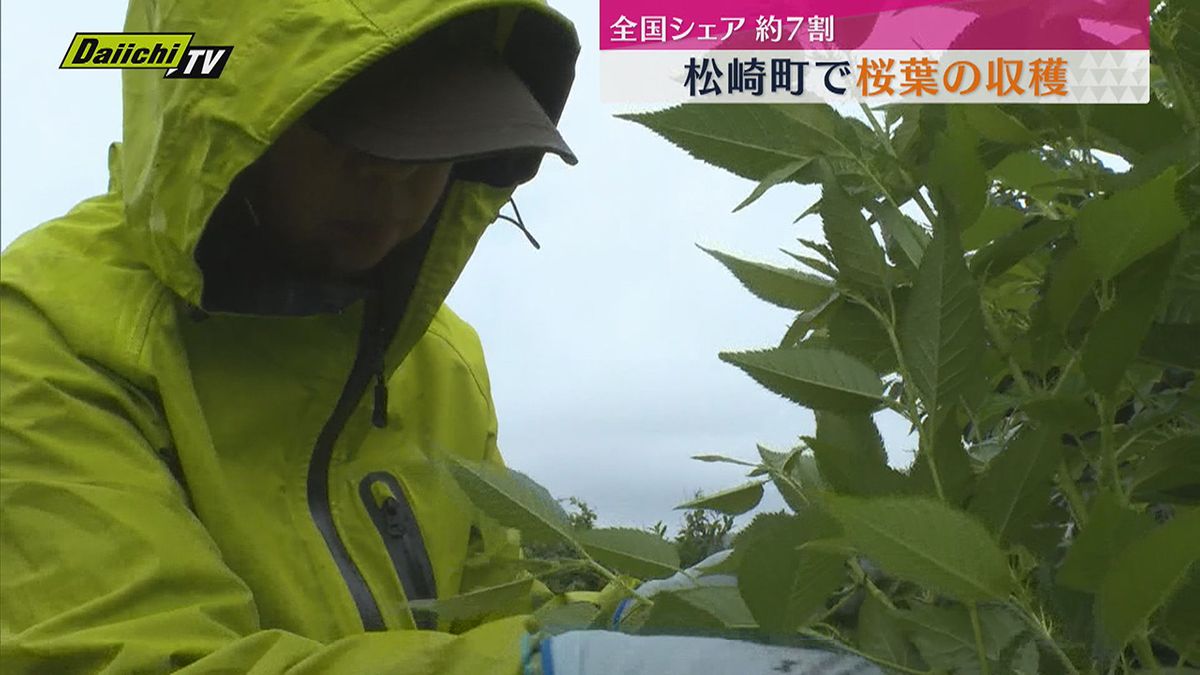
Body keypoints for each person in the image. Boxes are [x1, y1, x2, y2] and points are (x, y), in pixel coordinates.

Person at [1, 1, 880, 673]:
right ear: (226, 121)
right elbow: (132, 654)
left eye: (441, 145)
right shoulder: (46, 332)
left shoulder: (436, 357)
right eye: (360, 135)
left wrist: (632, 619)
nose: (398, 191)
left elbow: (478, 611)